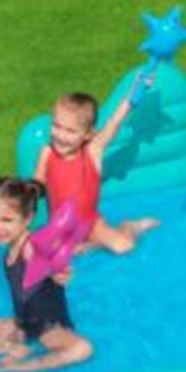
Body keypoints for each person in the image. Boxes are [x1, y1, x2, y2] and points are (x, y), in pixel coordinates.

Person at [0, 175, 92, 372]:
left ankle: (20, 366)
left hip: (49, 329)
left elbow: (50, 258)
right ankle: (12, 348)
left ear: (28, 219)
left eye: (7, 220)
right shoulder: (11, 245)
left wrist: (61, 272)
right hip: (23, 324)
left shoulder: (31, 247)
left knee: (82, 349)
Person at [32, 88, 158, 254]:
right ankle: (86, 247)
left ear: (87, 134)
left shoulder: (92, 151)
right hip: (61, 227)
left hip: (90, 223)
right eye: (57, 126)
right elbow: (37, 181)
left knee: (124, 246)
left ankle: (130, 226)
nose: (61, 135)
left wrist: (137, 89)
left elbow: (115, 121)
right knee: (41, 252)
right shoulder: (47, 152)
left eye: (70, 131)